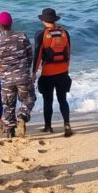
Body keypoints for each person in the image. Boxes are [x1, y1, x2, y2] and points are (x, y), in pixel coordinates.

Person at [0, 12, 35, 139]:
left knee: (8, 105)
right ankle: (22, 116)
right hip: (23, 76)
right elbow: (30, 55)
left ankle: (9, 132)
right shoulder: (22, 36)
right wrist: (26, 69)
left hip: (6, 79)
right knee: (29, 98)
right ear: (11, 24)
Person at [34, 8, 74, 137]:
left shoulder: (41, 35)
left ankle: (48, 127)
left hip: (48, 74)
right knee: (63, 99)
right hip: (63, 72)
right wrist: (66, 69)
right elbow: (68, 53)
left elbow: (38, 55)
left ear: (44, 21)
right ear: (54, 20)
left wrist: (33, 72)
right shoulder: (65, 33)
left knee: (48, 101)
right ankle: (67, 124)